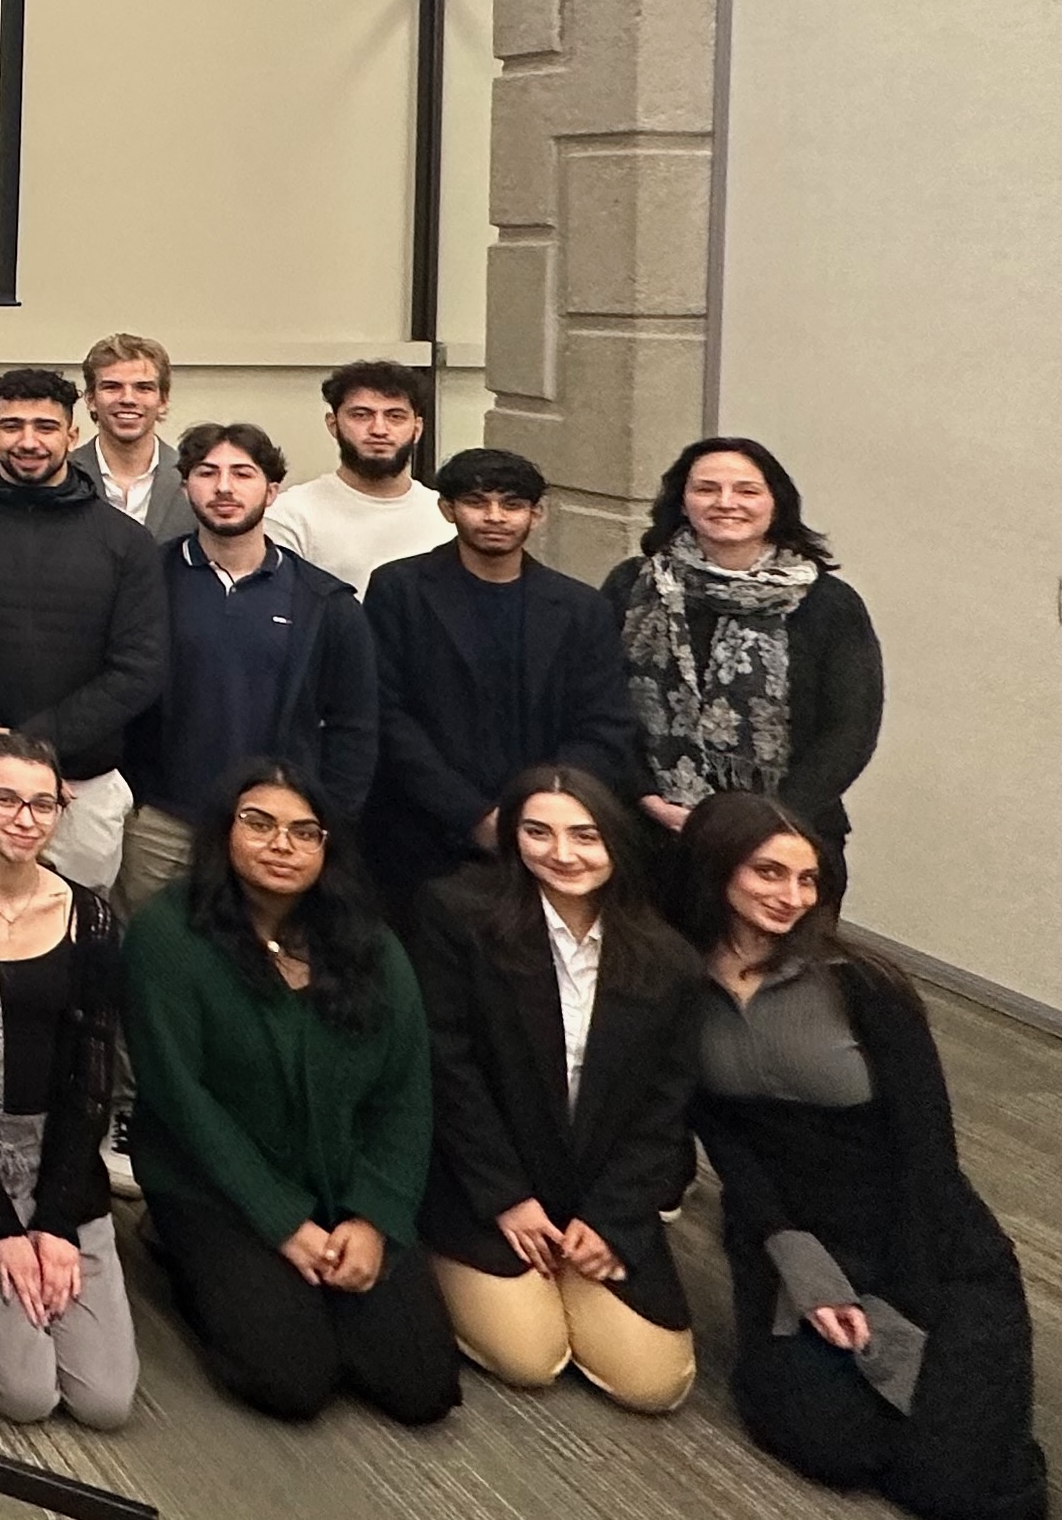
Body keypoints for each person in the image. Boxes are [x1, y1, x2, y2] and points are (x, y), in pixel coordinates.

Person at [685, 793, 1047, 1520]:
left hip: (923, 1234)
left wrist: (897, 1305)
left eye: (807, 879)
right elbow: (727, 1143)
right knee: (828, 1443)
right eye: (767, 873)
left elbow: (927, 1152)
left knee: (953, 1484)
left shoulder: (863, 984)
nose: (791, 896)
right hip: (788, 1230)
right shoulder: (677, 984)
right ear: (718, 868)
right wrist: (804, 1269)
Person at [125, 760, 456, 1425]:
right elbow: (182, 1100)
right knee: (293, 1382)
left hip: (342, 1185)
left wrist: (372, 1220)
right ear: (223, 833)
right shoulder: (168, 931)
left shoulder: (369, 941)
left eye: (305, 832)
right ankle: (173, 1247)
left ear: (326, 847)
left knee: (421, 1389)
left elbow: (403, 1095)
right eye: (259, 824)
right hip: (213, 1189)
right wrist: (280, 1220)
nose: (282, 844)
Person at [411, 767, 700, 1412]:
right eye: (537, 832)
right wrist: (506, 1198)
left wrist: (613, 1220)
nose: (561, 854)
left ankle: (566, 1273)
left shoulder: (670, 959)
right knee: (530, 1357)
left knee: (654, 1385)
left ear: (618, 843)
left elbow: (665, 1111)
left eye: (585, 836)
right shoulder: (457, 915)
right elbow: (447, 1069)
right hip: (484, 1179)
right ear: (512, 837)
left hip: (599, 1190)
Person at [0, 735, 138, 1428]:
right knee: (26, 1396)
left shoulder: (91, 916)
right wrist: (0, 1228)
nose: (24, 819)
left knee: (104, 1400)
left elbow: (91, 1073)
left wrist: (53, 1222)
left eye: (42, 804)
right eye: (4, 800)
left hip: (56, 1148)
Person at [0, 367, 166, 889]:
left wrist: (28, 750)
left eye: (46, 427)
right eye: (12, 426)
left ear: (72, 435)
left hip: (80, 783)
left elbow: (139, 667)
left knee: (79, 928)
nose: (28, 441)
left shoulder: (124, 541)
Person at [118, 421, 380, 918]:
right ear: (185, 486)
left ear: (272, 490)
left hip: (276, 827)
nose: (223, 487)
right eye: (207, 472)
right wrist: (136, 795)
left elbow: (355, 725)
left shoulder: (324, 602)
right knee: (152, 957)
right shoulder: (144, 582)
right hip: (164, 822)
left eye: (243, 473)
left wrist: (324, 818)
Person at [604, 437, 884, 898]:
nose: (726, 503)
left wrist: (760, 824)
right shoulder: (631, 585)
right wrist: (649, 800)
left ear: (777, 502)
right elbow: (600, 700)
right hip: (650, 833)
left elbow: (851, 730)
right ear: (682, 501)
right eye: (707, 489)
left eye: (747, 490)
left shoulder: (829, 603)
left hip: (788, 837)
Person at [363, 449, 637, 907]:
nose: (495, 517)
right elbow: (385, 715)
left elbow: (605, 722)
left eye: (512, 504)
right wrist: (472, 815)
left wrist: (539, 816)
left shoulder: (580, 608)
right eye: (477, 502)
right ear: (447, 509)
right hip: (421, 836)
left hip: (548, 841)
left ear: (538, 515)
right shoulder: (399, 590)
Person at [262, 360, 451, 592]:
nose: (379, 430)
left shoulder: (447, 516)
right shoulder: (290, 516)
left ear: (417, 428)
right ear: (333, 425)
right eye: (361, 415)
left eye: (395, 416)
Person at [68, 334, 197, 544]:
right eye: (112, 387)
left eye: (143, 388)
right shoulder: (61, 475)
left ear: (163, 400)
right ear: (90, 399)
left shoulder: (194, 478)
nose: (127, 399)